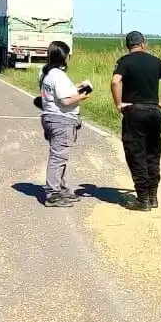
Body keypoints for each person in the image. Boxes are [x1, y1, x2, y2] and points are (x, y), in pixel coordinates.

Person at [111, 31, 161, 211]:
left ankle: (142, 200)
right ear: (143, 44)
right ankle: (152, 197)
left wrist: (119, 104)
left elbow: (115, 81)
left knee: (136, 154)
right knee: (153, 154)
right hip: (154, 113)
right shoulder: (155, 61)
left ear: (128, 46)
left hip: (135, 112)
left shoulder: (124, 61)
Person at [38, 40, 92, 207]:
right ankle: (53, 193)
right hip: (61, 120)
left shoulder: (45, 72)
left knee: (59, 155)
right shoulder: (58, 75)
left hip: (50, 117)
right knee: (58, 156)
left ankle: (60, 188)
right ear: (63, 56)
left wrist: (77, 86)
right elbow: (66, 100)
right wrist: (82, 96)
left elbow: (57, 92)